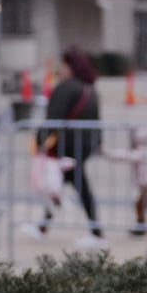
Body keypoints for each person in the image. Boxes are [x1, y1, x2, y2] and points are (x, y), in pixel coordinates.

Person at [32, 47, 103, 247]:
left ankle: (96, 233)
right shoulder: (89, 89)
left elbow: (53, 118)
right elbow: (97, 120)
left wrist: (39, 140)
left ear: (71, 67)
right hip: (84, 146)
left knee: (75, 187)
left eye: (63, 65)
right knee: (61, 185)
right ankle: (42, 227)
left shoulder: (66, 88)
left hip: (69, 147)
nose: (59, 69)